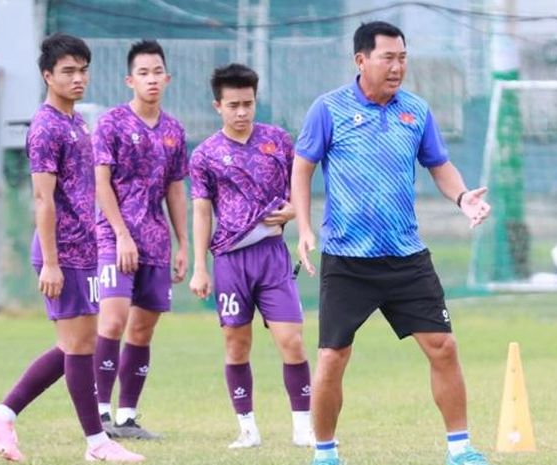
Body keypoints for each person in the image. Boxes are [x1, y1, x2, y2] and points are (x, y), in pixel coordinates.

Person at [291, 21, 493, 465]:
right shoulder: (328, 109)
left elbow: (439, 164)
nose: (397, 66)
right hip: (348, 259)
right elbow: (302, 168)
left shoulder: (416, 111)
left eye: (402, 57)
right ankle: (324, 453)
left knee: (444, 346)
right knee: (332, 357)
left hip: (406, 256)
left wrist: (462, 198)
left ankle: (460, 449)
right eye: (388, 57)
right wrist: (305, 228)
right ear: (361, 60)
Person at [0, 33, 144, 463]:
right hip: (61, 254)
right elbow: (41, 199)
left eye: (83, 69)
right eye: (68, 71)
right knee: (81, 349)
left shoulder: (77, 122)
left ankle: (3, 414)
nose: (78, 78)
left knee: (77, 344)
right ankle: (96, 443)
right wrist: (50, 262)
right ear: (47, 76)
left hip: (84, 251)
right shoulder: (47, 127)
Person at [189, 63, 313, 449]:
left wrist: (294, 211)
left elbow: (301, 184)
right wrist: (199, 268)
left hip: (272, 255)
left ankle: (303, 426)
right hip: (230, 261)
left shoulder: (278, 140)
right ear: (218, 106)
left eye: (248, 103)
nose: (241, 112)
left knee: (291, 341)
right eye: (233, 105)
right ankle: (247, 428)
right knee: (236, 344)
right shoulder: (205, 155)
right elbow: (202, 210)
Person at [92, 39, 188, 440]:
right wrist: (121, 234)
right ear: (129, 80)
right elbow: (100, 183)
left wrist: (184, 245)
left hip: (156, 242)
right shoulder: (111, 123)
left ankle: (128, 417)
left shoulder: (173, 130)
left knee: (143, 330)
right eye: (143, 73)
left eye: (157, 72)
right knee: (113, 320)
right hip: (115, 239)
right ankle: (98, 413)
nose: (151, 80)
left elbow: (175, 191)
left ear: (167, 78)